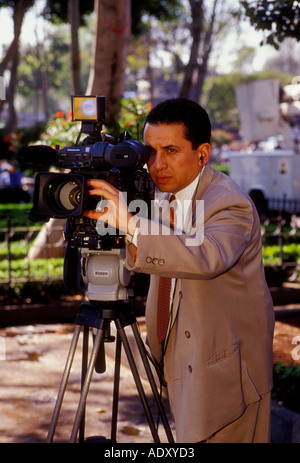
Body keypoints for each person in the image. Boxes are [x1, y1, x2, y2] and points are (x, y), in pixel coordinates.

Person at [84, 98, 275, 443]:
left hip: (227, 385)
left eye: (171, 150)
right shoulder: (159, 198)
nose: (157, 164)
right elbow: (152, 253)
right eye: (150, 151)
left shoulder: (229, 202)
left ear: (203, 153)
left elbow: (206, 255)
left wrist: (131, 224)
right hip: (181, 368)